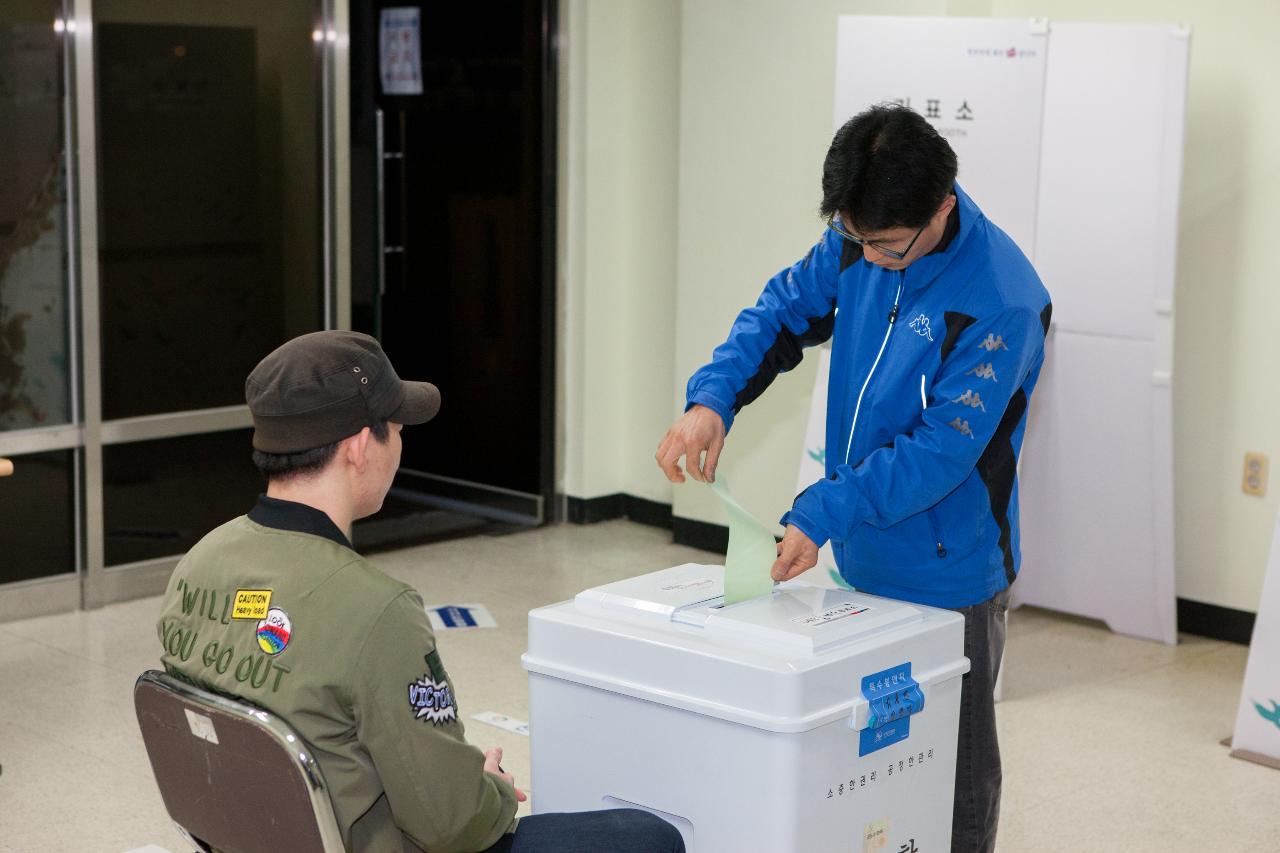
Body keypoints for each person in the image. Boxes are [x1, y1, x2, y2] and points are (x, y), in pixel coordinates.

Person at [655, 104, 1051, 853]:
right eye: (856, 239)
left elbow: (939, 453)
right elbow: (779, 311)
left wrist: (824, 507)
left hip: (950, 576)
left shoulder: (1001, 298)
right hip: (860, 560)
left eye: (888, 247)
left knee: (955, 773)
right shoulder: (858, 243)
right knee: (876, 762)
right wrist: (714, 398)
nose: (868, 260)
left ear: (941, 205)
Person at [157, 331, 684, 853]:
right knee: (651, 838)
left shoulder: (197, 563)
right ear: (361, 446)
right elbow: (451, 824)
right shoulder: (374, 608)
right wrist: (489, 787)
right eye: (397, 426)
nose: (401, 442)